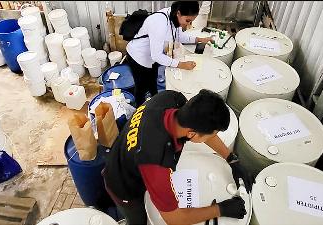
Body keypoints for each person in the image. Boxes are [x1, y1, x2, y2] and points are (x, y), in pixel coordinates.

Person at [103, 89, 253, 225]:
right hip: (122, 185)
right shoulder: (157, 162)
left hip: (127, 153)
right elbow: (175, 219)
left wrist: (231, 158)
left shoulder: (172, 99)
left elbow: (203, 129)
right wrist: (220, 209)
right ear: (191, 134)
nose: (213, 137)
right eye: (213, 134)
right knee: (138, 220)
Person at [125, 1, 213, 106]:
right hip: (138, 56)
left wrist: (199, 39)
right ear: (179, 13)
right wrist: (182, 65)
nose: (188, 24)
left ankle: (154, 101)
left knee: (152, 81)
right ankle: (140, 109)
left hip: (151, 57)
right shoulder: (160, 22)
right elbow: (157, 55)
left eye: (191, 21)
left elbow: (179, 37)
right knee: (141, 87)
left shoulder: (174, 17)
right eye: (188, 20)